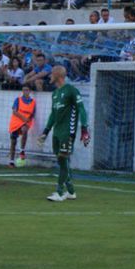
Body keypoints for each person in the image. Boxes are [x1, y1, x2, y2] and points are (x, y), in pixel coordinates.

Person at [37, 66, 90, 202]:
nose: (50, 77)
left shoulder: (71, 90)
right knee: (62, 161)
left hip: (68, 131)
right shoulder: (55, 94)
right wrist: (45, 132)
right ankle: (71, 191)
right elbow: (53, 115)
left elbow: (82, 109)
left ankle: (59, 192)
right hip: (57, 132)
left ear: (58, 75)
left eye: (51, 74)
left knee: (63, 158)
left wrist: (84, 129)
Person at [8, 85, 37, 167]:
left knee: (24, 130)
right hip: (16, 121)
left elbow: (33, 113)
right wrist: (24, 118)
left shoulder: (33, 102)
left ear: (30, 91)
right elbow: (14, 111)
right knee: (13, 141)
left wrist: (28, 119)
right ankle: (11, 161)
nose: (25, 92)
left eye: (27, 90)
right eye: (24, 90)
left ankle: (22, 150)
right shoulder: (18, 100)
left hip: (26, 121)